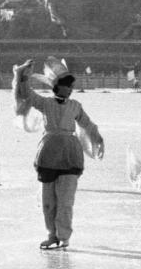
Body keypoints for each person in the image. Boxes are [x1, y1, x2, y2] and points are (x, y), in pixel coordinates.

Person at [12, 57, 105, 250]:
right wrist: (23, 74)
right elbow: (26, 93)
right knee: (48, 201)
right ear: (57, 86)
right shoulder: (45, 103)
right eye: (66, 86)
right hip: (48, 153)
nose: (70, 89)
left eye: (71, 86)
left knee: (66, 200)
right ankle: (51, 235)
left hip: (70, 154)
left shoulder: (75, 106)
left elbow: (87, 124)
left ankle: (64, 236)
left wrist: (97, 138)